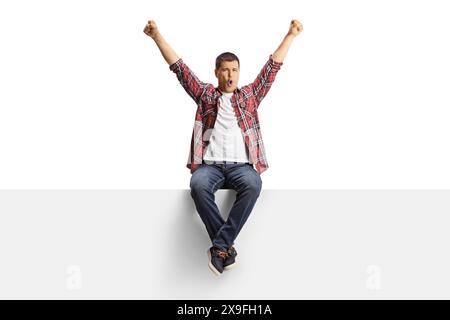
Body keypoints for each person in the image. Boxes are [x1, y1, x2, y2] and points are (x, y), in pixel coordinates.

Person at [143, 19, 303, 276]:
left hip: (242, 167)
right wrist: (156, 36)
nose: (230, 75)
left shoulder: (249, 96)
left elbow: (272, 68)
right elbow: (180, 69)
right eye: (225, 70)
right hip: (212, 166)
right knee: (197, 185)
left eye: (235, 70)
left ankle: (220, 247)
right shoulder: (206, 95)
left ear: (239, 73)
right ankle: (225, 248)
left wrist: (291, 35)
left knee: (253, 185)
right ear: (217, 72)